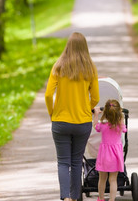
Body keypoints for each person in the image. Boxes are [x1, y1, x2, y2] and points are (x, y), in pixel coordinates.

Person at [45, 32, 100, 201]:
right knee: (77, 162)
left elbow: (48, 95)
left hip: (60, 121)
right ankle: (75, 198)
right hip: (82, 122)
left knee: (63, 162)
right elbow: (96, 98)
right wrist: (87, 108)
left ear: (67, 46)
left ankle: (66, 197)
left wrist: (52, 113)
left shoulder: (58, 66)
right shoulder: (90, 68)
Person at [93, 99, 127, 201]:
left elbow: (95, 126)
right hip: (115, 155)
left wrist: (96, 115)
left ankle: (101, 198)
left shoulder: (103, 125)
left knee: (102, 178)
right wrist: (121, 116)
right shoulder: (119, 126)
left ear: (106, 113)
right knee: (113, 180)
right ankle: (112, 200)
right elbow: (124, 129)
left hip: (104, 155)